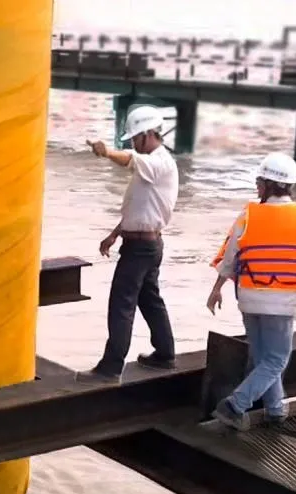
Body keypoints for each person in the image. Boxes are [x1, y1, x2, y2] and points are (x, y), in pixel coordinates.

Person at [205, 152, 296, 431]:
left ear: (268, 184)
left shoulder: (248, 215)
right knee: (276, 359)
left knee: (263, 356)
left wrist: (216, 289)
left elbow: (230, 258)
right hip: (285, 298)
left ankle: (275, 409)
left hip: (249, 296)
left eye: (259, 182)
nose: (257, 187)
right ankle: (235, 405)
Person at [84, 104, 179, 379]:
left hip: (141, 249)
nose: (134, 144)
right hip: (145, 244)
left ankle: (110, 367)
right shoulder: (152, 167)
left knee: (121, 304)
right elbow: (140, 207)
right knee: (149, 300)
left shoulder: (159, 163)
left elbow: (129, 160)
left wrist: (106, 152)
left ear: (148, 134)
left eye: (135, 138)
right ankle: (165, 354)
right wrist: (115, 233)